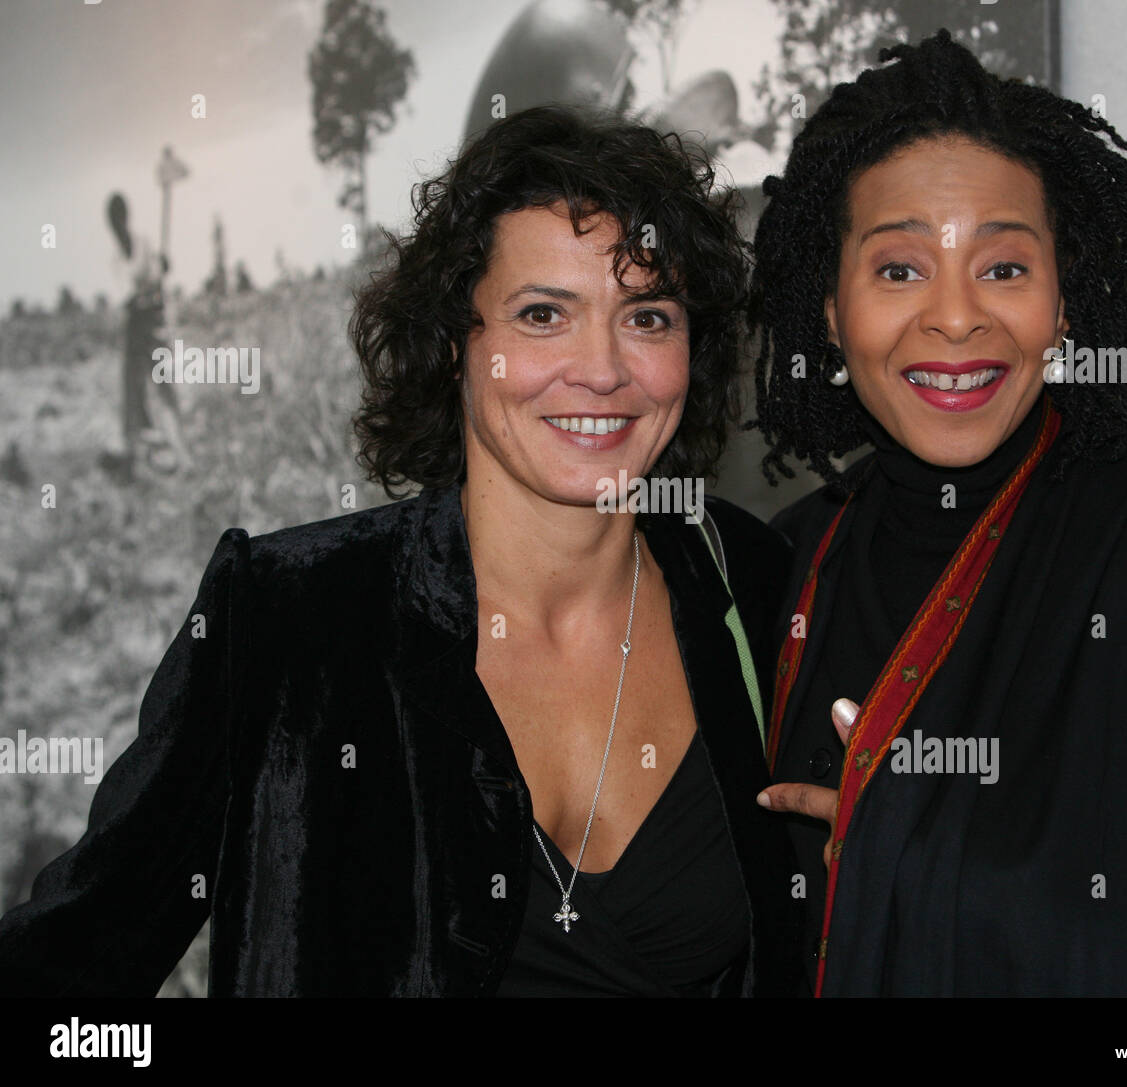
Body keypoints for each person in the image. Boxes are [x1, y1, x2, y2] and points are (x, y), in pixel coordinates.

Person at [0, 106, 802, 997]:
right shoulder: (286, 616)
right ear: (455, 344)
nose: (603, 368)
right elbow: (70, 960)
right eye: (543, 314)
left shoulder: (753, 586)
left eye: (647, 316)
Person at [750, 31, 1127, 996]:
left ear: (1065, 301)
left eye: (1004, 268)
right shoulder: (776, 576)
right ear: (830, 312)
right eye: (899, 269)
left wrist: (908, 867)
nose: (957, 317)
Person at [104, 191, 188, 477]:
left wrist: (162, 266)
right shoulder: (115, 259)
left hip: (154, 322)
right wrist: (144, 294)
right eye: (111, 221)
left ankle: (178, 445)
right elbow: (125, 296)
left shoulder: (143, 245)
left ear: (125, 217)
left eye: (119, 217)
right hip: (134, 326)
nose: (116, 224)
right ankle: (138, 452)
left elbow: (157, 276)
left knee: (163, 383)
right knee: (133, 389)